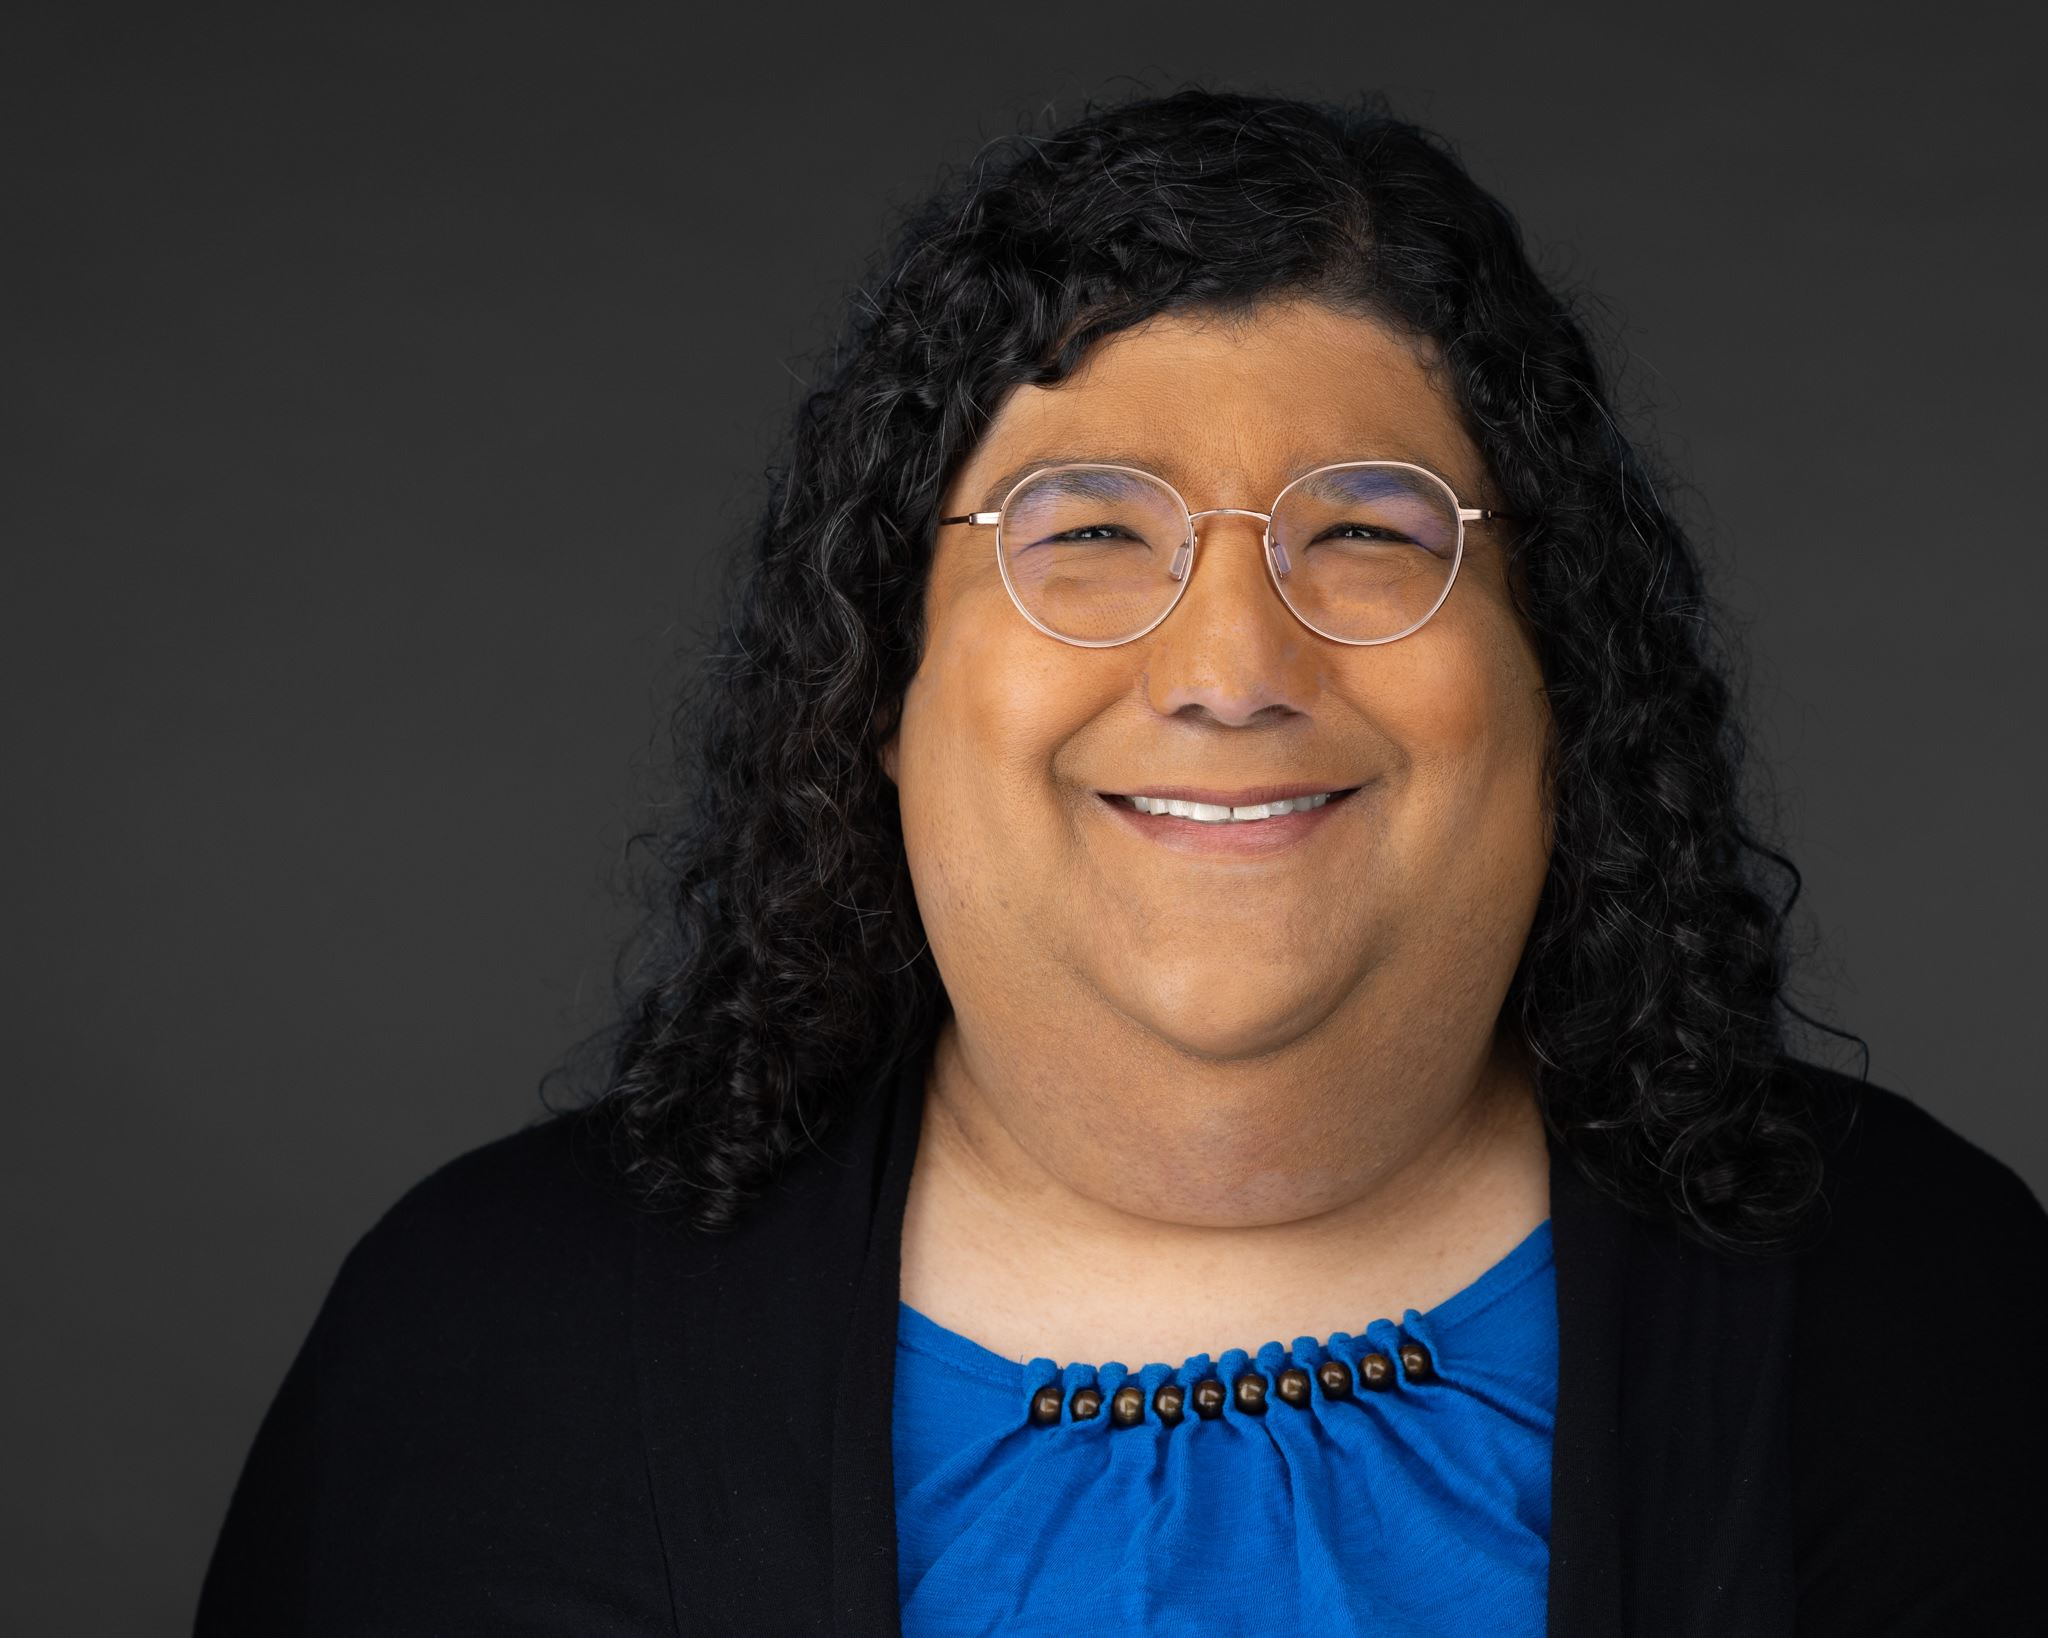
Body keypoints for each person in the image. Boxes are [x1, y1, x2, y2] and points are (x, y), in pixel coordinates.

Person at [194, 88, 2048, 1636]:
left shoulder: (1932, 1317)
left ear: (1556, 671)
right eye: (1083, 533)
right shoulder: (480, 1351)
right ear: (882, 682)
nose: (1231, 668)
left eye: (1368, 533)